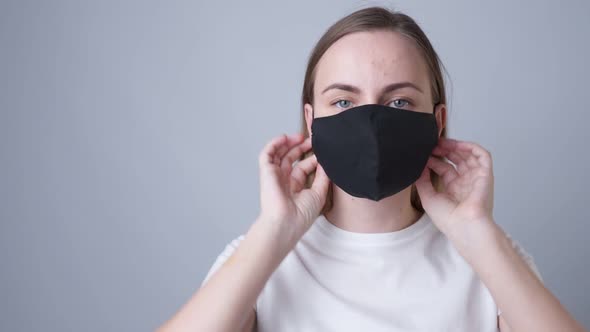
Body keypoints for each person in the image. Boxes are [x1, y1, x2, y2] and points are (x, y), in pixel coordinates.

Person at [157, 6, 586, 332]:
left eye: (399, 101)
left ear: (436, 121)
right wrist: (275, 230)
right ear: (312, 121)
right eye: (343, 101)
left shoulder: (489, 259)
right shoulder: (259, 258)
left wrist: (475, 230)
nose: (371, 121)